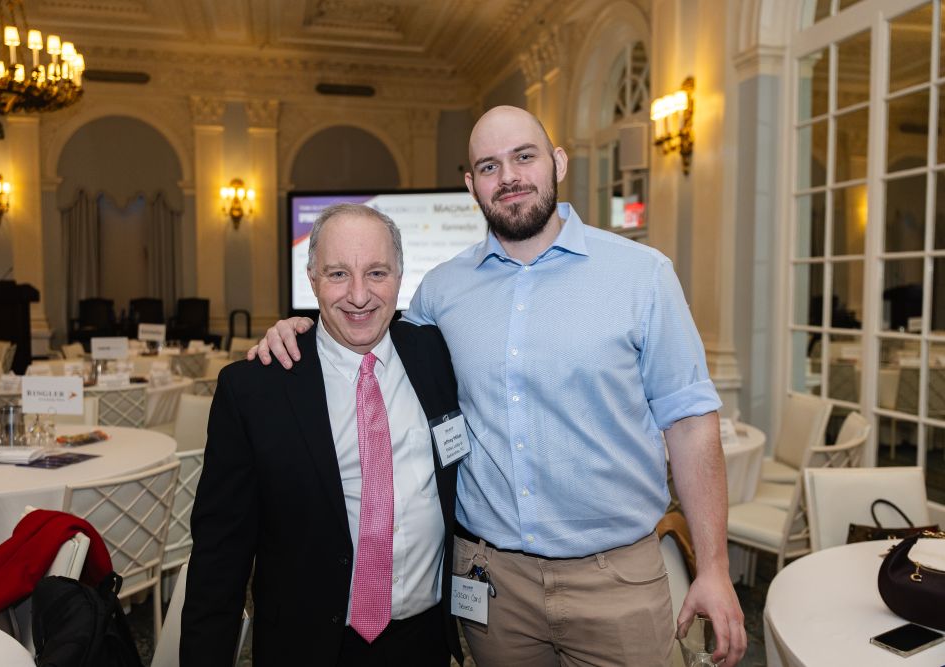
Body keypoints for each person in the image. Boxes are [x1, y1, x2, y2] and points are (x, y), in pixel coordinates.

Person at [251, 106, 747, 666]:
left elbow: (690, 422)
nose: (508, 177)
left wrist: (713, 567)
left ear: (558, 163)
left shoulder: (642, 275)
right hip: (491, 585)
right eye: (489, 166)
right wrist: (299, 331)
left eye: (524, 157)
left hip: (615, 581)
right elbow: (366, 339)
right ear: (472, 185)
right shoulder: (441, 290)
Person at [183, 203, 463, 666]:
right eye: (338, 274)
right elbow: (220, 556)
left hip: (424, 643)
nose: (359, 295)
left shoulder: (437, 356)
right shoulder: (255, 390)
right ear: (312, 278)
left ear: (399, 276)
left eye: (376, 273)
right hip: (305, 647)